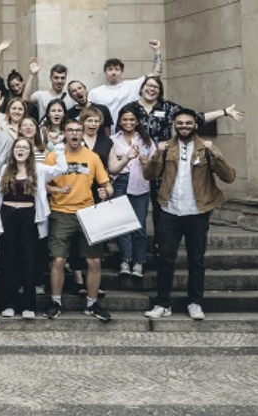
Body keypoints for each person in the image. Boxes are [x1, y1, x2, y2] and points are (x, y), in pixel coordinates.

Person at [143, 109, 236, 321]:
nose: (184, 126)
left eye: (188, 123)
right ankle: (162, 303)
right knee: (165, 259)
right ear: (175, 125)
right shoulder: (166, 148)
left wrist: (217, 155)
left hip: (198, 211)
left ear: (195, 125)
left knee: (196, 260)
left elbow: (229, 177)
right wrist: (157, 154)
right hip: (170, 210)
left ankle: (195, 302)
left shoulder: (206, 149)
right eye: (180, 123)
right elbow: (148, 175)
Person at [44, 119, 115, 321]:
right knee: (58, 259)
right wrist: (56, 189)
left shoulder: (92, 157)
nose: (74, 134)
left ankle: (92, 304)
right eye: (70, 130)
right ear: (64, 133)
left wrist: (105, 193)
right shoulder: (53, 156)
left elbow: (107, 185)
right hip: (60, 212)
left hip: (87, 213)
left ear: (83, 133)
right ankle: (56, 302)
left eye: (78, 130)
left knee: (94, 261)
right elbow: (43, 184)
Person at [0, 138, 66, 319]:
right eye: (18, 147)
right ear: (13, 150)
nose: (21, 150)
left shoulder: (38, 169)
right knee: (8, 261)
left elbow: (61, 169)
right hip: (8, 216)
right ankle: (8, 303)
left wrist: (58, 149)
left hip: (29, 218)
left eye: (25, 147)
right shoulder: (5, 169)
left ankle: (29, 306)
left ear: (30, 152)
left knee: (29, 261)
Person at [110, 105, 156, 277]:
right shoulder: (113, 140)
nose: (128, 122)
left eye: (132, 119)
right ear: (120, 122)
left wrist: (146, 163)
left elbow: (154, 165)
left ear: (137, 121)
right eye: (125, 119)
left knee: (139, 225)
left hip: (140, 182)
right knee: (122, 223)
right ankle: (125, 260)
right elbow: (111, 165)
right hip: (120, 182)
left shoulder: (146, 140)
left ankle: (139, 262)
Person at [87, 40, 162, 116]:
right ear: (105, 72)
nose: (113, 72)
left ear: (122, 71)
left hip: (128, 126)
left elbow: (155, 75)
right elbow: (87, 114)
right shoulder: (94, 93)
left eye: (117, 69)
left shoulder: (132, 86)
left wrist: (157, 51)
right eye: (110, 69)